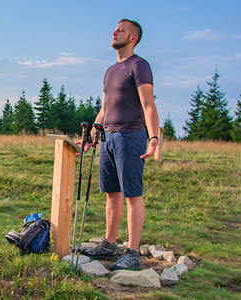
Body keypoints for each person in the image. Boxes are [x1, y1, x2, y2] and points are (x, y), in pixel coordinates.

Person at [79, 19, 160, 271]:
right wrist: (92, 132)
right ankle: (110, 244)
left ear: (133, 37)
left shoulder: (139, 65)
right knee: (111, 194)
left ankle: (133, 253)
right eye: (115, 29)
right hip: (107, 137)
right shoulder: (110, 71)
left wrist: (154, 136)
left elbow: (148, 104)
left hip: (130, 136)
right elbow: (104, 108)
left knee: (132, 195)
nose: (115, 32)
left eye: (121, 30)